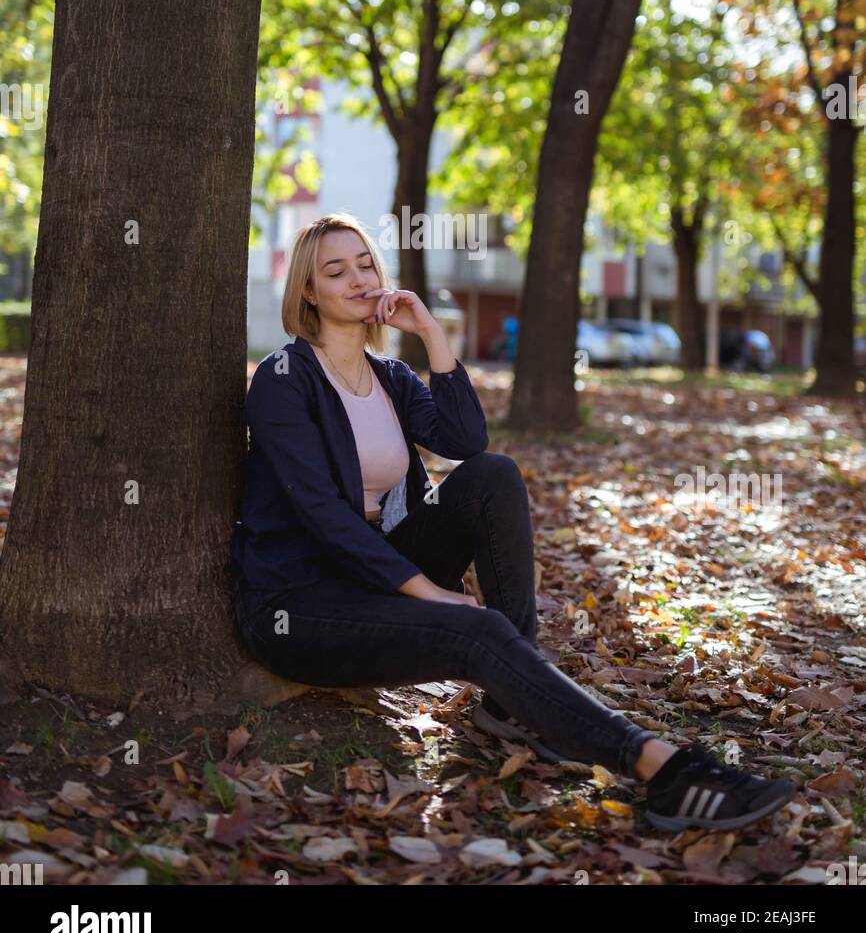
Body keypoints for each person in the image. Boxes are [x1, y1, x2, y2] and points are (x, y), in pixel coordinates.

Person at [230, 212, 797, 834]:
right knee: (479, 632)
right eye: (336, 271)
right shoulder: (286, 381)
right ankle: (665, 772)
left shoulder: (389, 376)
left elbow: (466, 441)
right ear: (308, 292)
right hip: (301, 600)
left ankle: (510, 700)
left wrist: (431, 335)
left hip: (376, 569)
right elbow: (323, 517)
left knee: (494, 475)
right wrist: (432, 594)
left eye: (366, 263)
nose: (358, 279)